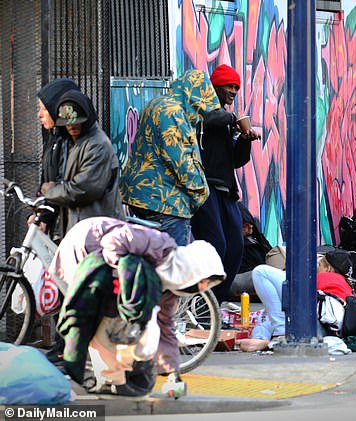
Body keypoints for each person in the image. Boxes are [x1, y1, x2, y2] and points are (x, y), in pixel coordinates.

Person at [49, 217, 226, 395]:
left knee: (111, 325)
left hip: (111, 273)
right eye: (203, 281)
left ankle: (105, 377)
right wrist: (125, 276)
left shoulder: (170, 289)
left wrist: (172, 373)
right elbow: (112, 242)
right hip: (88, 244)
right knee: (96, 322)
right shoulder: (159, 244)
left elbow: (166, 330)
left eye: (206, 284)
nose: (202, 288)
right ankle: (94, 375)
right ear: (191, 269)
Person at [119, 70, 220, 378]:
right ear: (195, 96)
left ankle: (141, 335)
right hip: (166, 202)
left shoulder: (158, 104)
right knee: (168, 278)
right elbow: (180, 159)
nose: (200, 115)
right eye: (201, 107)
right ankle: (161, 343)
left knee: (146, 270)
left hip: (142, 198)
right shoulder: (174, 113)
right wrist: (201, 192)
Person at [191, 64, 261, 304]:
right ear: (216, 86)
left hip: (226, 192)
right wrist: (235, 120)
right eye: (229, 86)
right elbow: (209, 118)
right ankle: (201, 304)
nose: (233, 91)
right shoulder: (204, 110)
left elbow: (237, 159)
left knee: (235, 247)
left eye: (236, 87)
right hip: (205, 190)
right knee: (216, 246)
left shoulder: (224, 118)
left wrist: (245, 139)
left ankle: (214, 305)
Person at [40, 90, 124, 236]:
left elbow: (83, 189)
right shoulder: (72, 143)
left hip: (97, 231)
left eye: (77, 123)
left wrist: (51, 191)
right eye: (68, 124)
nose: (72, 127)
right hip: (83, 228)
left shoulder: (97, 145)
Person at [236, 249, 354, 352]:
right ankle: (262, 340)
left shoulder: (327, 277)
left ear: (328, 268)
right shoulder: (347, 287)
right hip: (326, 333)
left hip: (312, 328)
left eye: (319, 265)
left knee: (260, 272)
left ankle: (276, 334)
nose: (316, 269)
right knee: (274, 314)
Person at [34, 78, 81, 236]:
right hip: (58, 222)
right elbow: (45, 180)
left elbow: (66, 182)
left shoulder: (70, 142)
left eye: (44, 110)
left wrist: (45, 215)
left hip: (72, 225)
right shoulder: (53, 138)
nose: (39, 115)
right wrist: (38, 212)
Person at [228, 202, 272, 297]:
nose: (251, 227)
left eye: (250, 223)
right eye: (246, 225)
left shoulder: (257, 238)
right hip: (244, 279)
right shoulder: (233, 244)